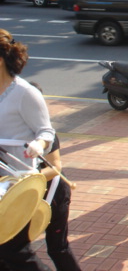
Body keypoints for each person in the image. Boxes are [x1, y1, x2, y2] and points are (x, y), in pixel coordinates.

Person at [0, 29, 55, 271]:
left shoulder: (24, 92)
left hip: (16, 183)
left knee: (16, 251)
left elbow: (46, 132)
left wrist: (38, 144)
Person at [29, 83, 81, 271]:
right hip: (28, 195)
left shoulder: (45, 134)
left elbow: (55, 168)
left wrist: (21, 180)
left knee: (57, 248)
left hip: (53, 195)